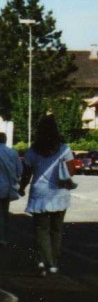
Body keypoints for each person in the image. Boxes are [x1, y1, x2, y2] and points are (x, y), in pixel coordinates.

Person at [17, 116, 75, 276]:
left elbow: (26, 173)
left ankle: (45, 261)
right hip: (60, 193)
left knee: (41, 230)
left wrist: (22, 188)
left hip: (40, 194)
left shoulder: (32, 151)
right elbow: (71, 171)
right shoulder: (64, 149)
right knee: (56, 230)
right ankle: (53, 262)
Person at [0, 132, 20, 246]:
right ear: (5, 140)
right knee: (4, 213)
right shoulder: (12, 152)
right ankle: (4, 238)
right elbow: (19, 170)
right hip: (6, 188)